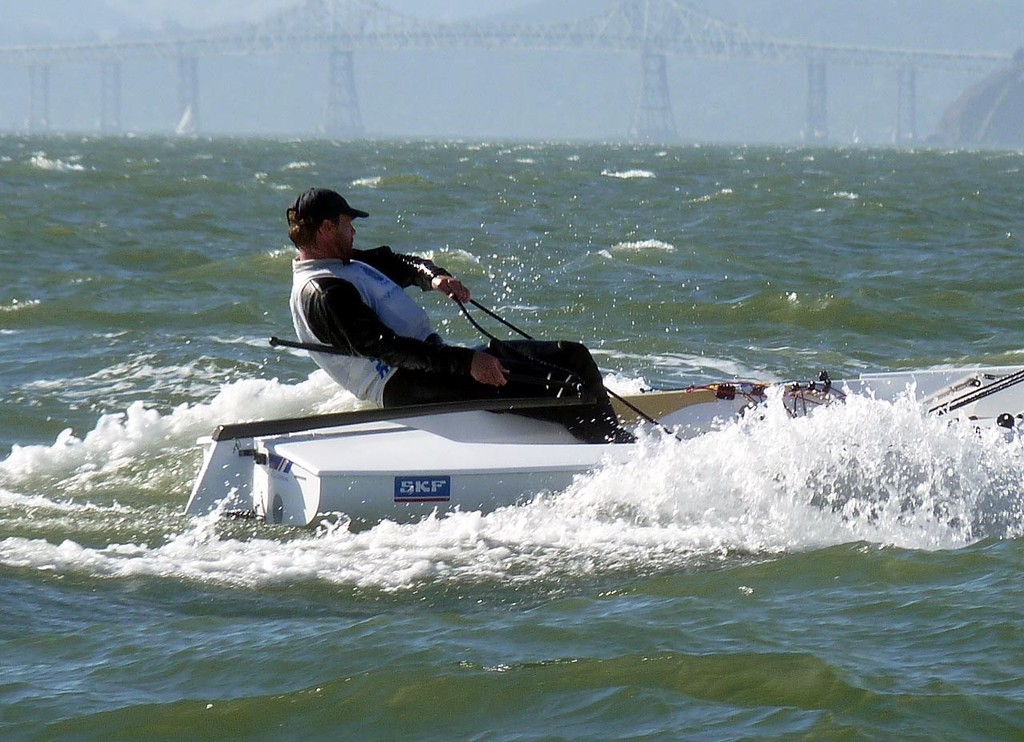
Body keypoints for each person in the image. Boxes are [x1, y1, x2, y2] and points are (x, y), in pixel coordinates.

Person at [285, 187, 632, 443]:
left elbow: (399, 263)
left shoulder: (346, 262)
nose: (354, 231)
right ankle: (611, 453)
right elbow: (389, 349)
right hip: (405, 384)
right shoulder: (323, 292)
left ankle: (607, 435)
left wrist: (434, 277)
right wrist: (469, 363)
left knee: (571, 356)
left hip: (431, 364)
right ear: (328, 229)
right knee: (562, 388)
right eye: (348, 224)